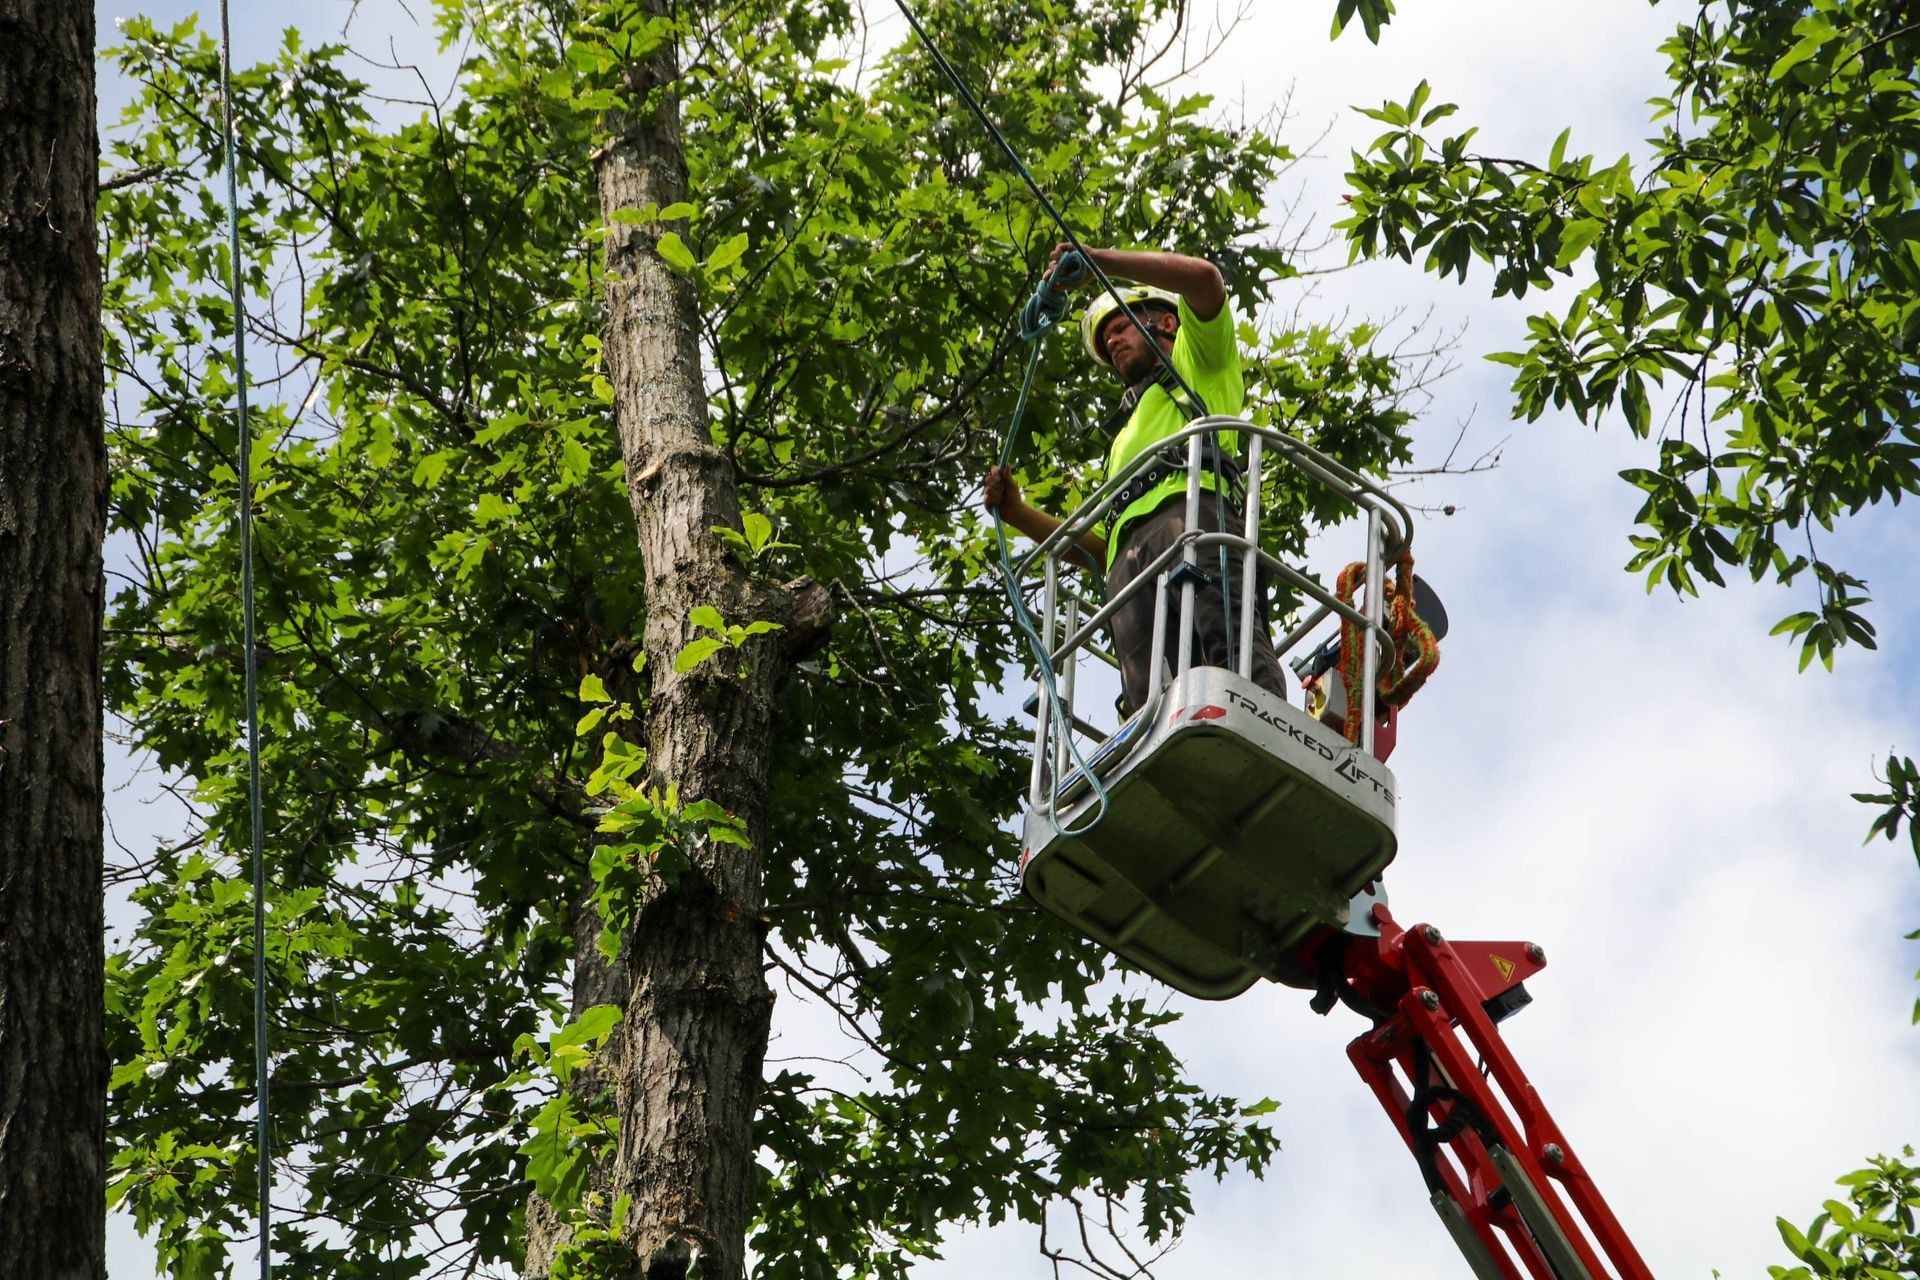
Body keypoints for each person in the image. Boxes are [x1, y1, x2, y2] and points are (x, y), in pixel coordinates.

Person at [984, 244, 1289, 715]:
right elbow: (1103, 548)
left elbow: (1205, 280)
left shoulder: (1199, 365)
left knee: (1225, 643)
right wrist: (1017, 514)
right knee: (1151, 697)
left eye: (1121, 327)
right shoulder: (1123, 441)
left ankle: (1260, 716)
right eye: (1106, 342)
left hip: (1194, 519)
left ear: (1165, 322)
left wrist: (1098, 262)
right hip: (1128, 568)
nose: (1112, 343)